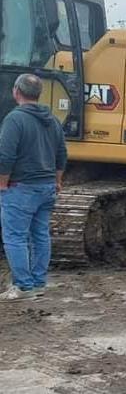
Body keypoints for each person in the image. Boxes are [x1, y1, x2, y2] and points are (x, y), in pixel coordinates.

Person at [0, 74, 67, 302]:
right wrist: (57, 180)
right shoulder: (52, 119)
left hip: (22, 188)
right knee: (40, 235)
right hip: (46, 187)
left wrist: (2, 183)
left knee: (15, 237)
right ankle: (38, 284)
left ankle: (23, 287)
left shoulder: (15, 119)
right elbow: (61, 154)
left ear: (16, 91)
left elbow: (5, 155)